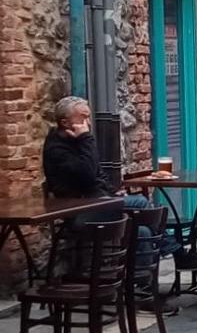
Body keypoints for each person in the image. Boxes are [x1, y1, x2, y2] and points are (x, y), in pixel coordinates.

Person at [42, 97, 180, 254]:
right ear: (65, 123)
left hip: (97, 204)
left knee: (143, 232)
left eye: (88, 117)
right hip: (80, 214)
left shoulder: (77, 142)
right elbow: (87, 174)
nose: (88, 123)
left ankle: (142, 278)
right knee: (140, 203)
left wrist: (112, 192)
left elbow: (98, 173)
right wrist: (86, 138)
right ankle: (176, 251)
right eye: (83, 117)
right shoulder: (57, 149)